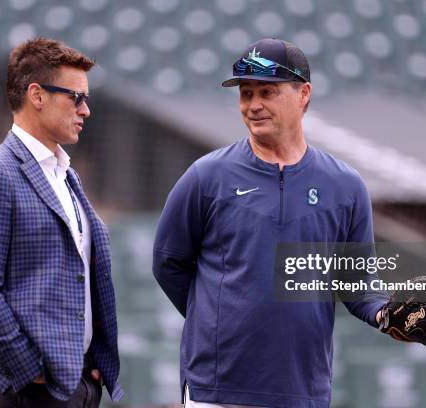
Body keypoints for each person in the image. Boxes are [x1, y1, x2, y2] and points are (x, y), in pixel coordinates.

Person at [153, 38, 388, 408]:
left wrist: (390, 316)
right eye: (246, 94)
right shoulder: (207, 176)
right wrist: (219, 318)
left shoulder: (345, 186)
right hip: (217, 390)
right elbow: (169, 263)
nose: (253, 105)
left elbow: (360, 286)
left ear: (303, 94)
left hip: (302, 390)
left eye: (267, 91)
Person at [0, 38, 123, 407]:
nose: (86, 110)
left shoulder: (66, 175)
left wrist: (87, 367)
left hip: (74, 384)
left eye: (87, 98)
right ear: (37, 95)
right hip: (25, 392)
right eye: (76, 97)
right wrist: (32, 372)